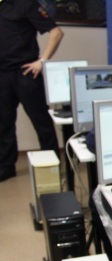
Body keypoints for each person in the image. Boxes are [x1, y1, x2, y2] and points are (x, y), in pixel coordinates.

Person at [0, 0, 64, 182]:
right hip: (2, 74)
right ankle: (6, 167)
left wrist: (42, 61)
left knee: (41, 121)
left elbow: (57, 33)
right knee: (3, 124)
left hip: (26, 73)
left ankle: (52, 167)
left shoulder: (27, 4)